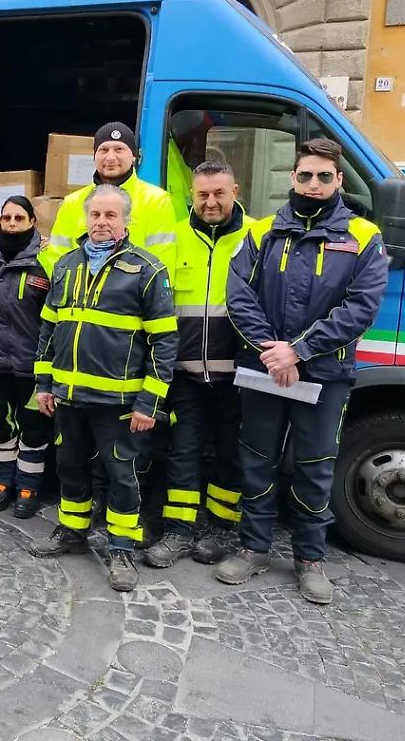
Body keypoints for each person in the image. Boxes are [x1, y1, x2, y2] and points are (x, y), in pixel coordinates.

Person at [220, 138, 388, 604]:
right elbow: (239, 297)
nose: (314, 185)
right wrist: (273, 352)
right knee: (256, 460)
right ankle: (253, 548)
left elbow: (361, 309)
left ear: (338, 180)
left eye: (324, 177)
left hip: (322, 375)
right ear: (292, 179)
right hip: (264, 371)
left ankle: (310, 559)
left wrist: (299, 351)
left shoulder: (362, 236)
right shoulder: (261, 233)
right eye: (305, 176)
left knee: (315, 467)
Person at [29, 185, 178, 592]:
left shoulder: (148, 270)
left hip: (120, 403)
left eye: (111, 216)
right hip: (68, 398)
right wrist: (44, 383)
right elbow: (48, 328)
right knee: (70, 467)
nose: (101, 223)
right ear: (86, 219)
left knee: (122, 476)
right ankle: (73, 532)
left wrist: (150, 401)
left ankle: (121, 549)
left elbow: (164, 342)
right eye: (96, 215)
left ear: (126, 221)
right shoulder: (66, 265)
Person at [143, 161, 251, 569]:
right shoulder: (172, 238)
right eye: (202, 194)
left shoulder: (255, 236)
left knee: (231, 454)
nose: (210, 202)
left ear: (234, 191)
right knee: (182, 451)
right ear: (193, 194)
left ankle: (222, 529)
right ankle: (179, 530)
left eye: (219, 194)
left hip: (238, 375)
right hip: (185, 373)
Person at [0, 196, 51, 518]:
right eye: (6, 218)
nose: (12, 224)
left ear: (33, 222)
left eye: (20, 218)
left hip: (29, 362)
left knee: (33, 427)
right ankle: (3, 484)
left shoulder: (47, 260)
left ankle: (28, 488)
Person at [41, 122, 176, 276]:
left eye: (119, 149)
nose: (110, 157)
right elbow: (57, 261)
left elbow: (163, 263)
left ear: (133, 156)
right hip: (80, 298)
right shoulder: (72, 202)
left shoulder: (156, 201)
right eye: (103, 150)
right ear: (94, 156)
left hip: (132, 298)